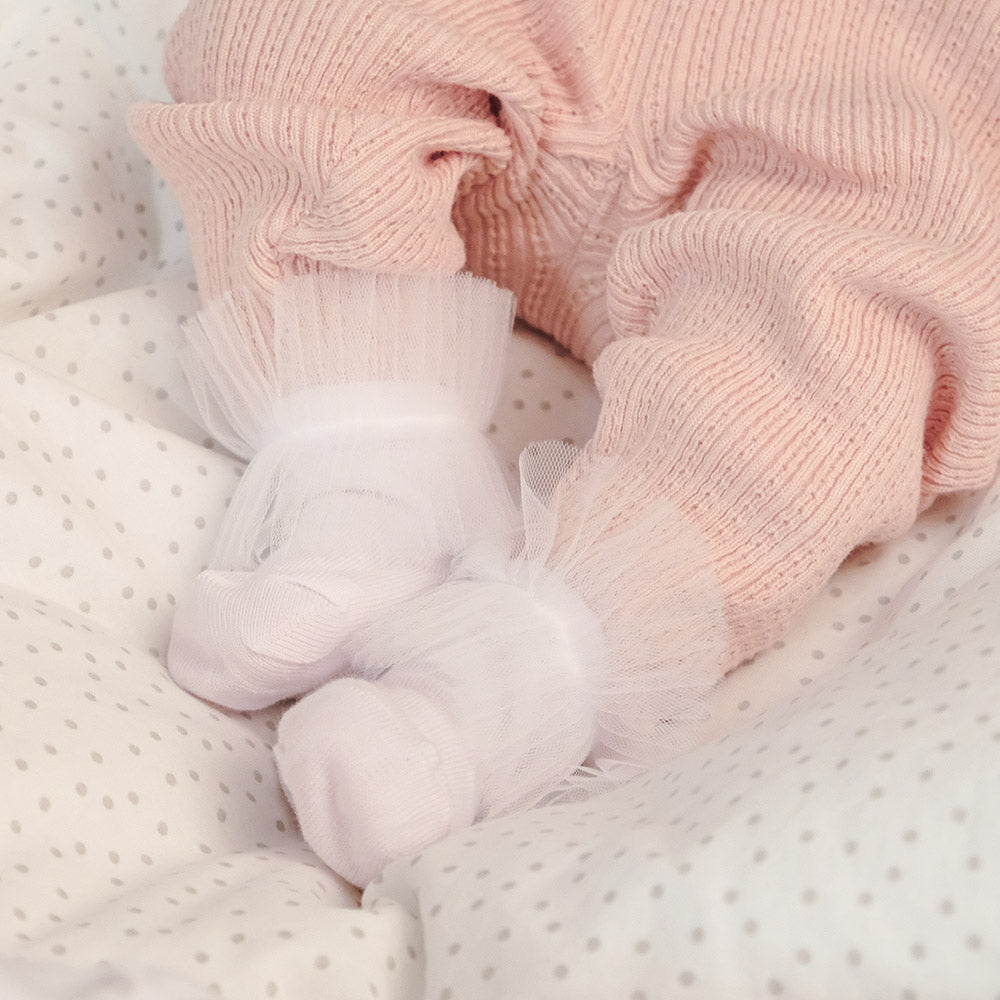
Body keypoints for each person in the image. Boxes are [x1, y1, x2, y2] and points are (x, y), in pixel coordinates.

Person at [129, 0, 1000, 885]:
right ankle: (371, 482)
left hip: (903, 130)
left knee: (833, 352)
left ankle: (501, 681)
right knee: (290, 31)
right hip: (595, 39)